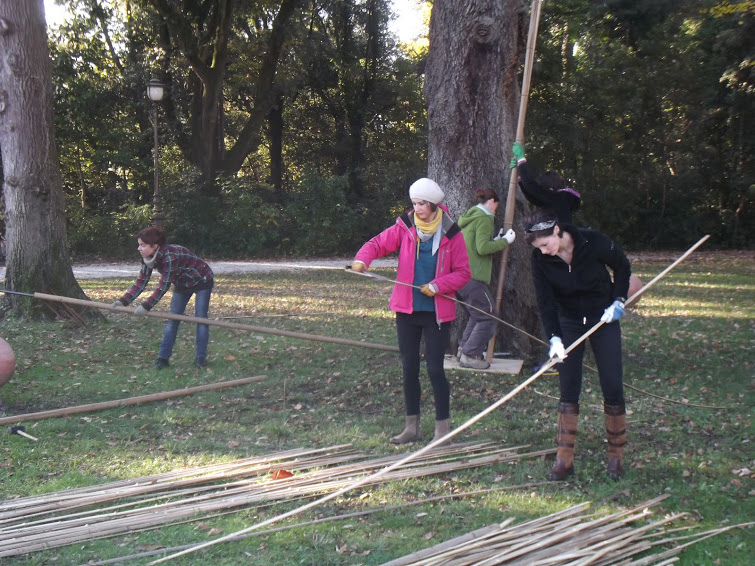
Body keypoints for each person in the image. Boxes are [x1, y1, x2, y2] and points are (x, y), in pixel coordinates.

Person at [351, 178, 471, 445]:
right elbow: (376, 244)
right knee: (408, 368)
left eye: (422, 204)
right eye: (414, 203)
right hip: (407, 311)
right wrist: (362, 259)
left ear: (434, 204)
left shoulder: (452, 233)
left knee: (435, 370)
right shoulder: (404, 227)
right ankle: (412, 428)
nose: (417, 209)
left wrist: (438, 285)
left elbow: (463, 273)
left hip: (436, 313)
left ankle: (443, 431)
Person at [523, 209, 631, 481]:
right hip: (569, 321)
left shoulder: (592, 242)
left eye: (546, 244)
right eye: (539, 248)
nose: (545, 252)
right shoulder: (540, 260)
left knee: (612, 384)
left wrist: (618, 300)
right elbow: (545, 301)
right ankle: (564, 459)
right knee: (568, 387)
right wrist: (554, 338)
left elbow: (622, 266)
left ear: (557, 231)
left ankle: (616, 459)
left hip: (603, 317)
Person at [113, 227, 214, 370]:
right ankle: (162, 359)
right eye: (139, 244)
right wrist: (123, 301)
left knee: (201, 319)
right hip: (182, 283)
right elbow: (141, 281)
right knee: (172, 320)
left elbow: (163, 286)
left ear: (154, 246)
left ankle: (200, 358)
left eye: (142, 245)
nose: (138, 248)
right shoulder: (148, 258)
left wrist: (146, 306)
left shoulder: (169, 256)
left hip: (202, 280)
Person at [456, 188, 516, 369]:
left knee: (477, 315)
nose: (495, 211)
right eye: (496, 207)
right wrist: (505, 241)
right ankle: (470, 355)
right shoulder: (484, 218)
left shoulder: (470, 217)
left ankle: (463, 349)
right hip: (472, 277)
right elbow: (482, 248)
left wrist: (496, 238)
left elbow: (476, 245)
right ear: (490, 202)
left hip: (460, 277)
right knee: (488, 318)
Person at [511, 142, 581, 225]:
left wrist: (521, 160)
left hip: (558, 235)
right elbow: (534, 198)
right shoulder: (559, 200)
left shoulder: (559, 197)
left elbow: (531, 186)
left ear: (550, 188)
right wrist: (520, 178)